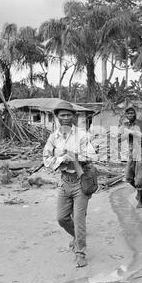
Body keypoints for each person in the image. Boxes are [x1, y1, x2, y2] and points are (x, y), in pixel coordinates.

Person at [43, 101, 97, 268]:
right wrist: (60, 159)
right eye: (62, 115)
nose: (65, 118)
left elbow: (92, 156)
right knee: (61, 218)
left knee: (79, 219)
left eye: (68, 115)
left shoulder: (81, 135)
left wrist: (75, 156)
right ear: (57, 117)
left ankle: (80, 252)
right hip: (65, 182)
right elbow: (46, 159)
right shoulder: (53, 137)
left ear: (73, 116)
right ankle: (77, 236)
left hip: (81, 182)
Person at [119, 106, 142, 208]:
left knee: (140, 178)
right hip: (131, 153)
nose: (130, 115)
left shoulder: (141, 123)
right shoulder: (125, 125)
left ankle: (140, 201)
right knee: (128, 177)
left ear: (135, 114)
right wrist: (128, 133)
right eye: (128, 114)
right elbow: (119, 139)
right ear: (126, 115)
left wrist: (138, 134)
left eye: (132, 113)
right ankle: (138, 191)